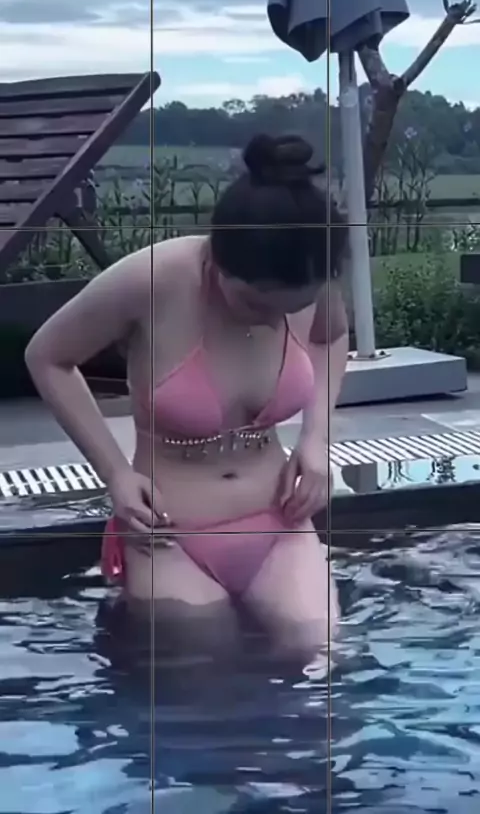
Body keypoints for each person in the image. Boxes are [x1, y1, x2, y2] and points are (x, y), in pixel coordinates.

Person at [25, 133, 349, 661]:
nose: (273, 320)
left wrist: (316, 440)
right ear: (218, 262)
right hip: (168, 535)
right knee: (202, 670)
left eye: (291, 307)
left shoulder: (309, 265)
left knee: (316, 651)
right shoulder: (152, 280)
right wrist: (115, 474)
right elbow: (48, 357)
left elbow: (332, 338)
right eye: (255, 304)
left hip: (278, 523)